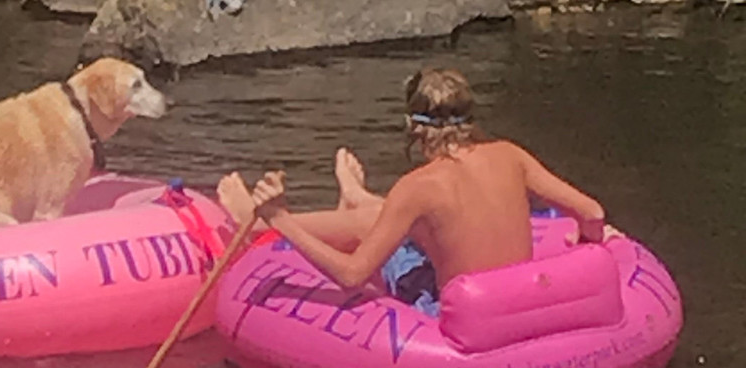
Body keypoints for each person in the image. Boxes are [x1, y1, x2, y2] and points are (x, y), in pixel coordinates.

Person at [217, 67, 619, 316]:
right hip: (519, 306)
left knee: (376, 231)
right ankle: (355, 197)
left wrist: (280, 220)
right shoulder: (511, 156)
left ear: (414, 127)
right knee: (402, 220)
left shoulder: (418, 186)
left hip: (460, 315)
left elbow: (352, 275)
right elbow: (593, 214)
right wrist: (586, 245)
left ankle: (256, 224)